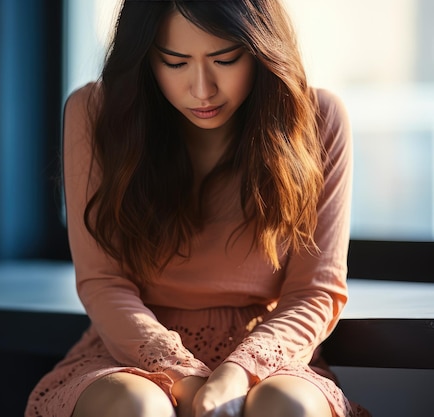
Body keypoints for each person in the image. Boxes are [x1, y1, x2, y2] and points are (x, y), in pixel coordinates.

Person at [27, 0, 372, 416]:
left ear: (261, 51)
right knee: (136, 407)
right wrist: (186, 378)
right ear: (146, 58)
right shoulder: (97, 115)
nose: (202, 88)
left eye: (225, 59)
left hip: (269, 351)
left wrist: (237, 373)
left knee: (286, 407)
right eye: (175, 63)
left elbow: (315, 291)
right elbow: (103, 283)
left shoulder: (318, 121)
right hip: (130, 350)